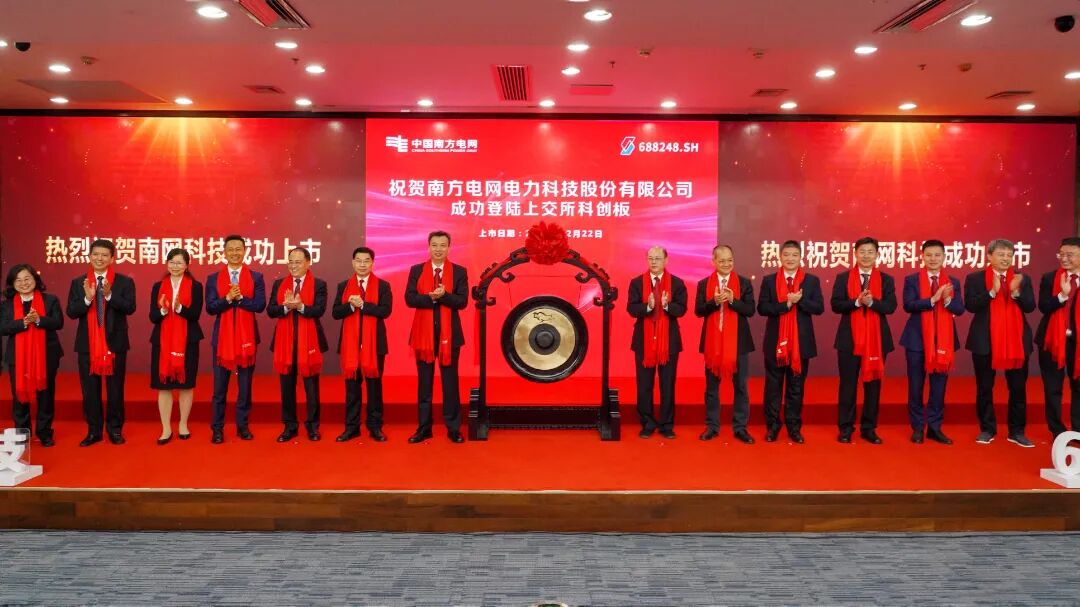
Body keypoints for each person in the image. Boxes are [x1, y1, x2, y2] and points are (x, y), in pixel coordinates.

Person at [964, 239, 1036, 447]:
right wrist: (992, 292)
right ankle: (987, 429)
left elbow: (1030, 307)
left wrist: (1016, 293)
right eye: (1001, 254)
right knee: (985, 388)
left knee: (1018, 388)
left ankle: (1017, 431)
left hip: (1016, 341)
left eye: (1009, 255)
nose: (1005, 259)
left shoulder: (1022, 278)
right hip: (985, 341)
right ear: (989, 256)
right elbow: (971, 305)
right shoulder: (975, 278)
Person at [66, 239, 137, 447]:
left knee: (115, 390)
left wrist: (109, 295)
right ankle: (94, 431)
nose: (99, 258)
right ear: (89, 256)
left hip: (114, 343)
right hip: (87, 344)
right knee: (90, 391)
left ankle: (114, 430)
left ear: (112, 258)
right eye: (96, 254)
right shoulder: (78, 283)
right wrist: (87, 299)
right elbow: (71, 312)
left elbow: (130, 308)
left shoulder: (124, 282)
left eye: (105, 255)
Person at [830, 237, 897, 445]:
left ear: (877, 255)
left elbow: (891, 307)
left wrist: (872, 302)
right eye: (862, 251)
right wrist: (858, 302)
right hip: (849, 339)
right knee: (848, 385)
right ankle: (845, 428)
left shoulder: (886, 279)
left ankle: (869, 429)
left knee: (873, 386)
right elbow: (836, 305)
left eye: (870, 252)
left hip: (877, 340)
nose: (866, 255)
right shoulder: (843, 278)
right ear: (855, 254)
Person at [404, 230, 469, 443]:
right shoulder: (416, 270)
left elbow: (462, 302)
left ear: (449, 247)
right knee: (424, 384)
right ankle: (424, 428)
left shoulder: (459, 272)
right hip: (423, 336)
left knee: (450, 383)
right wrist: (431, 298)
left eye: (443, 245)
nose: (438, 249)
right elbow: (409, 298)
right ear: (428, 247)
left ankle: (453, 428)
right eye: (434, 245)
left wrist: (444, 295)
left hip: (450, 337)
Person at [757, 240, 824, 443]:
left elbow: (819, 308)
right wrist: (786, 304)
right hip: (775, 342)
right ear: (780, 256)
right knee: (773, 388)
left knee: (796, 388)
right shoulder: (769, 281)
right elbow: (762, 308)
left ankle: (794, 427)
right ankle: (773, 426)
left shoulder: (811, 281)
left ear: (801, 257)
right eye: (786, 254)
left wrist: (799, 300)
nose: (790, 258)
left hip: (800, 345)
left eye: (794, 255)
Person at [899, 239, 965, 445]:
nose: (933, 259)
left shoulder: (953, 282)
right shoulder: (912, 280)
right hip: (917, 341)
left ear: (944, 257)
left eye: (937, 255)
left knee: (938, 388)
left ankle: (935, 428)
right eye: (929, 255)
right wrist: (933, 299)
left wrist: (947, 299)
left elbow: (960, 309)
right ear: (922, 257)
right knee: (916, 387)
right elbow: (908, 305)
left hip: (943, 342)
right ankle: (918, 428)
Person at [205, 234, 266, 444]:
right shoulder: (213, 278)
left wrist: (240, 299)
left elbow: (259, 305)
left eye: (238, 249)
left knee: (245, 387)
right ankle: (217, 429)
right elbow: (211, 308)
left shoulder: (256, 277)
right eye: (230, 249)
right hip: (222, 341)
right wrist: (227, 298)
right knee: (219, 389)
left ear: (245, 251)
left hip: (247, 340)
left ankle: (243, 426)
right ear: (224, 252)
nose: (234, 253)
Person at [695, 244, 755, 443]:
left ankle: (740, 427)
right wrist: (713, 301)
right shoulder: (704, 284)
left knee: (741, 387)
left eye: (730, 260)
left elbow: (750, 310)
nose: (726, 264)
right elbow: (698, 311)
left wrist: (732, 300)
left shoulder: (744, 283)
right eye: (722, 261)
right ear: (713, 262)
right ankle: (712, 426)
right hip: (713, 344)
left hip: (738, 344)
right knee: (712, 388)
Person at [268, 247, 329, 442]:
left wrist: (300, 306)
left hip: (309, 344)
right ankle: (290, 427)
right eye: (290, 262)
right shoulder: (279, 284)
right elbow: (271, 310)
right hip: (285, 345)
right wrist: (286, 307)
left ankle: (312, 427)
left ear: (308, 263)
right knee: (287, 388)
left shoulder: (319, 284)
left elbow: (319, 310)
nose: (293, 266)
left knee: (311, 389)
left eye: (298, 262)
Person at [332, 246, 392, 443]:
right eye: (358, 261)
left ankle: (375, 427)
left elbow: (385, 311)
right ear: (353, 262)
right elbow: (335, 313)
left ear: (372, 263)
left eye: (366, 261)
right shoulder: (343, 286)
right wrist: (351, 305)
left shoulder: (383, 286)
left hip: (374, 346)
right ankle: (352, 427)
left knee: (374, 388)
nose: (362, 264)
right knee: (352, 389)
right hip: (350, 346)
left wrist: (363, 305)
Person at [627, 246, 688, 439]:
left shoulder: (677, 283)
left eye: (658, 258)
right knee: (644, 385)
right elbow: (631, 309)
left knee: (667, 385)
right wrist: (648, 306)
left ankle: (666, 425)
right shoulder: (637, 282)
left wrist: (667, 305)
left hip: (669, 343)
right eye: (651, 258)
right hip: (643, 342)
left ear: (666, 260)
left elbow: (682, 310)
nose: (654, 262)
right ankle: (647, 423)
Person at [0, 264, 64, 447]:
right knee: (19, 395)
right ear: (13, 284)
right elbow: (3, 328)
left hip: (46, 354)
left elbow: (58, 322)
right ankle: (22, 434)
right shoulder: (6, 305)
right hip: (18, 357)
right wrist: (23, 322)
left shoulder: (50, 300)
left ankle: (44, 433)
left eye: (27, 278)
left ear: (35, 280)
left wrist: (38, 320)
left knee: (45, 394)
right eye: (18, 280)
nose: (24, 283)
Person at [148, 249, 204, 445]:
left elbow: (195, 315)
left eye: (179, 262)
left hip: (188, 341)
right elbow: (152, 316)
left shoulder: (196, 286)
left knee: (186, 385)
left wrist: (179, 307)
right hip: (162, 342)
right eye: (171, 262)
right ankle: (165, 428)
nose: (174, 266)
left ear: (187, 265)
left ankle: (183, 424)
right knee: (164, 387)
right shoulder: (158, 286)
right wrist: (163, 310)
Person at [1034, 236, 1080, 440]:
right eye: (1061, 254)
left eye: (1070, 255)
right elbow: (1043, 306)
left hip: (1077, 344)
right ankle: (1058, 432)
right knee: (1052, 388)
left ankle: (1078, 431)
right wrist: (1062, 295)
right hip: (1051, 341)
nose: (1064, 258)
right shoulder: (1050, 277)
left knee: (1078, 387)